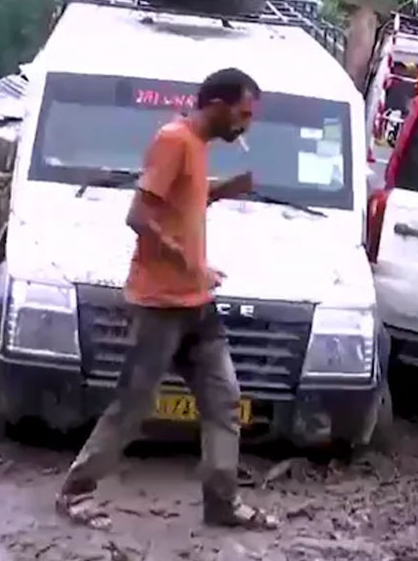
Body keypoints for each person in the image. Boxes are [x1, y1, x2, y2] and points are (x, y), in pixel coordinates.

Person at [56, 67, 276, 530]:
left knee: (224, 400)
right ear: (216, 105)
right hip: (159, 304)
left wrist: (220, 192)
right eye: (242, 114)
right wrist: (190, 263)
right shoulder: (174, 140)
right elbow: (139, 216)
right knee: (134, 403)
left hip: (197, 304)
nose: (246, 125)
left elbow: (179, 202)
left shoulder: (197, 146)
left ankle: (222, 502)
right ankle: (76, 491)